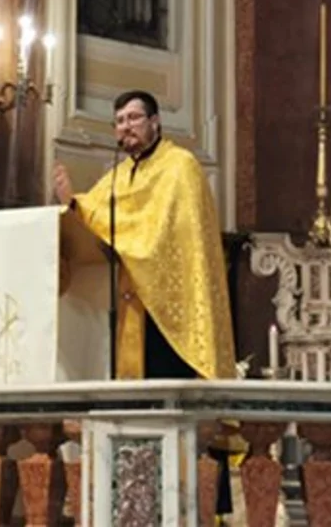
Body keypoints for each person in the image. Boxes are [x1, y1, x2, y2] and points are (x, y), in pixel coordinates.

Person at [53, 89, 239, 517]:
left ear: (156, 123)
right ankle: (142, 504)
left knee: (178, 410)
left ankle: (191, 506)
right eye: (119, 121)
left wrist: (83, 209)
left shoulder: (181, 167)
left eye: (134, 118)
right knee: (136, 411)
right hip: (133, 309)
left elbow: (154, 237)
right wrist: (72, 204)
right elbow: (94, 216)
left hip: (174, 314)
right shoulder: (119, 174)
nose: (126, 127)